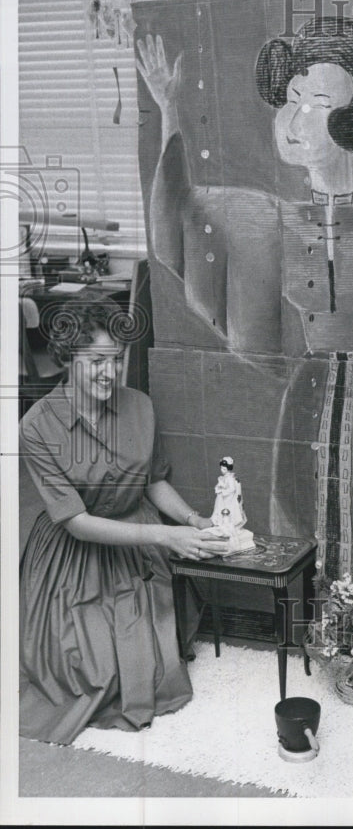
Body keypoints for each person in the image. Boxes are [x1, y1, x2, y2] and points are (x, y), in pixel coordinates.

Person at [136, 18, 353, 580]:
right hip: (301, 414)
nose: (296, 118)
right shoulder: (265, 219)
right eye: (292, 98)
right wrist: (170, 109)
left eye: (320, 102)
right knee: (296, 531)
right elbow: (181, 213)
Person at [19, 295, 230, 745]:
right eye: (96, 361)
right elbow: (76, 522)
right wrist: (165, 535)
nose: (110, 373)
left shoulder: (140, 406)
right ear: (66, 359)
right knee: (96, 676)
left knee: (154, 672)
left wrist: (195, 521)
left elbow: (153, 482)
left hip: (139, 547)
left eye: (116, 360)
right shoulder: (36, 427)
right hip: (74, 555)